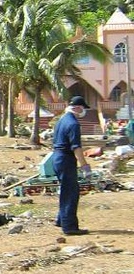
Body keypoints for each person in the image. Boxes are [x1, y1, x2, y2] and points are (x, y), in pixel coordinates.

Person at [53, 96, 93, 236]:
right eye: (83, 108)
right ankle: (69, 226)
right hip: (66, 159)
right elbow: (76, 147)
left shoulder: (61, 120)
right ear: (77, 108)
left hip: (57, 157)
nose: (83, 111)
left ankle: (61, 220)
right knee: (71, 192)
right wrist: (85, 166)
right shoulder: (73, 124)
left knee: (65, 190)